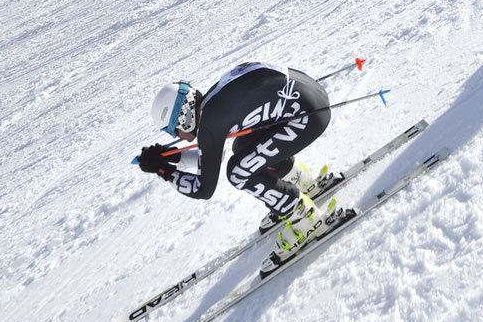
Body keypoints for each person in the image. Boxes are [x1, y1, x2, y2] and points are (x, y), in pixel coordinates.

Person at [139, 64, 338, 259]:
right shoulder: (212, 103)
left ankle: (305, 219)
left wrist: (163, 170)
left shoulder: (210, 124)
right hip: (312, 100)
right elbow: (211, 157)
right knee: (243, 147)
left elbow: (203, 189)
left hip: (308, 117)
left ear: (183, 118)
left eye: (172, 129)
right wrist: (172, 157)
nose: (176, 136)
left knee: (238, 172)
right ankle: (301, 182)